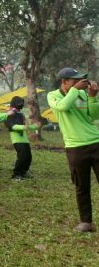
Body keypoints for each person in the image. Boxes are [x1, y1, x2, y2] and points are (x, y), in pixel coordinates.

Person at [47, 68, 99, 233]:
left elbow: (93, 116)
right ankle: (86, 222)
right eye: (75, 80)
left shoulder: (82, 94)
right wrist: (76, 90)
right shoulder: (53, 95)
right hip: (75, 147)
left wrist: (92, 97)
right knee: (81, 185)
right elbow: (63, 107)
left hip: (96, 142)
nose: (79, 82)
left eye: (81, 80)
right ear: (64, 82)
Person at [6, 96, 39, 181]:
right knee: (22, 157)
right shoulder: (10, 113)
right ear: (14, 103)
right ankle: (16, 174)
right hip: (17, 139)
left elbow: (26, 126)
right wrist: (23, 127)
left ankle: (24, 171)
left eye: (22, 103)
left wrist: (35, 126)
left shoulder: (20, 113)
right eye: (19, 103)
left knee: (28, 156)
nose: (21, 105)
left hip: (24, 138)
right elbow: (11, 126)